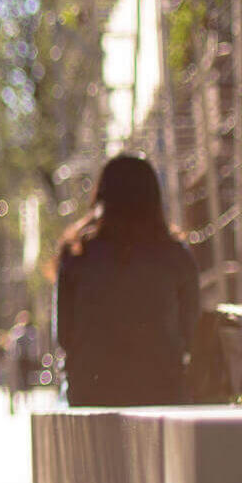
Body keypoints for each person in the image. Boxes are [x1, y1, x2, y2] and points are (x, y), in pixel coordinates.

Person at [54, 155, 201, 406]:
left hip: (92, 392)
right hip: (161, 391)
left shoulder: (77, 254)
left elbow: (64, 335)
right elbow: (191, 332)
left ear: (101, 198)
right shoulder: (176, 256)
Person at [8, 311, 40, 412]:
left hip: (28, 359)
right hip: (18, 360)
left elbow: (35, 345)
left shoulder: (32, 330)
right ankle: (17, 401)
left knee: (28, 379)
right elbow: (13, 346)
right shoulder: (16, 330)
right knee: (17, 380)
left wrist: (35, 356)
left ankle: (28, 399)